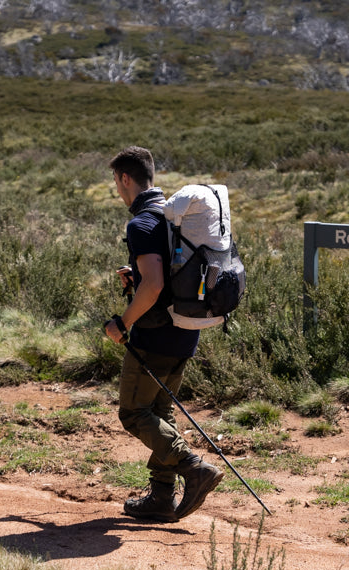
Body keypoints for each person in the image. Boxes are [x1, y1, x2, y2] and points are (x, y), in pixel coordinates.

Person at [103, 146, 223, 523]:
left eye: (117, 183)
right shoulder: (171, 217)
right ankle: (160, 497)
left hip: (154, 335)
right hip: (187, 332)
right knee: (159, 411)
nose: (118, 190)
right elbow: (164, 275)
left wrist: (122, 323)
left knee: (134, 413)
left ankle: (194, 467)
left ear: (125, 179)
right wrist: (135, 277)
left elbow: (153, 286)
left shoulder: (140, 223)